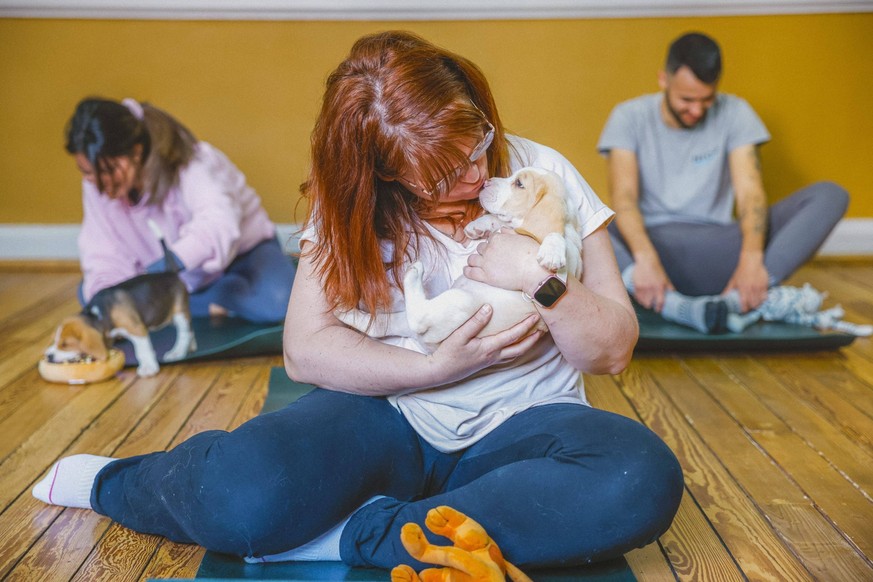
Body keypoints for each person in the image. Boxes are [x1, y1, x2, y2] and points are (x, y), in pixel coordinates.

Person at [33, 31, 683, 570]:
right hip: (387, 413)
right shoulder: (349, 208)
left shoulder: (540, 173)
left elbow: (613, 350)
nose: (476, 175)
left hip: (525, 424)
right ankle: (112, 481)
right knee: (239, 495)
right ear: (382, 172)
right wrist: (434, 370)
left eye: (477, 142)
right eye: (442, 174)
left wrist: (541, 283)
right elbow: (306, 351)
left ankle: (361, 534)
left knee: (639, 478)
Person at [597, 32, 849, 334]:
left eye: (707, 99)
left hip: (719, 251)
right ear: (664, 79)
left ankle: (740, 296)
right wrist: (645, 259)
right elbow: (623, 197)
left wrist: (751, 260)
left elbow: (749, 193)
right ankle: (681, 308)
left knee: (830, 195)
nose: (697, 110)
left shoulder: (736, 112)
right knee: (579, 215)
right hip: (648, 256)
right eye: (687, 100)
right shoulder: (628, 117)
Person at [65, 97, 295, 323]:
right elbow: (102, 253)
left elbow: (218, 222)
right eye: (86, 172)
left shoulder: (194, 161)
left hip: (243, 255)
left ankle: (197, 301)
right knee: (92, 297)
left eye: (109, 169)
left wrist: (167, 264)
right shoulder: (96, 185)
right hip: (170, 280)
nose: (98, 182)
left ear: (135, 152)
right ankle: (215, 303)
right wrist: (109, 298)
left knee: (279, 301)